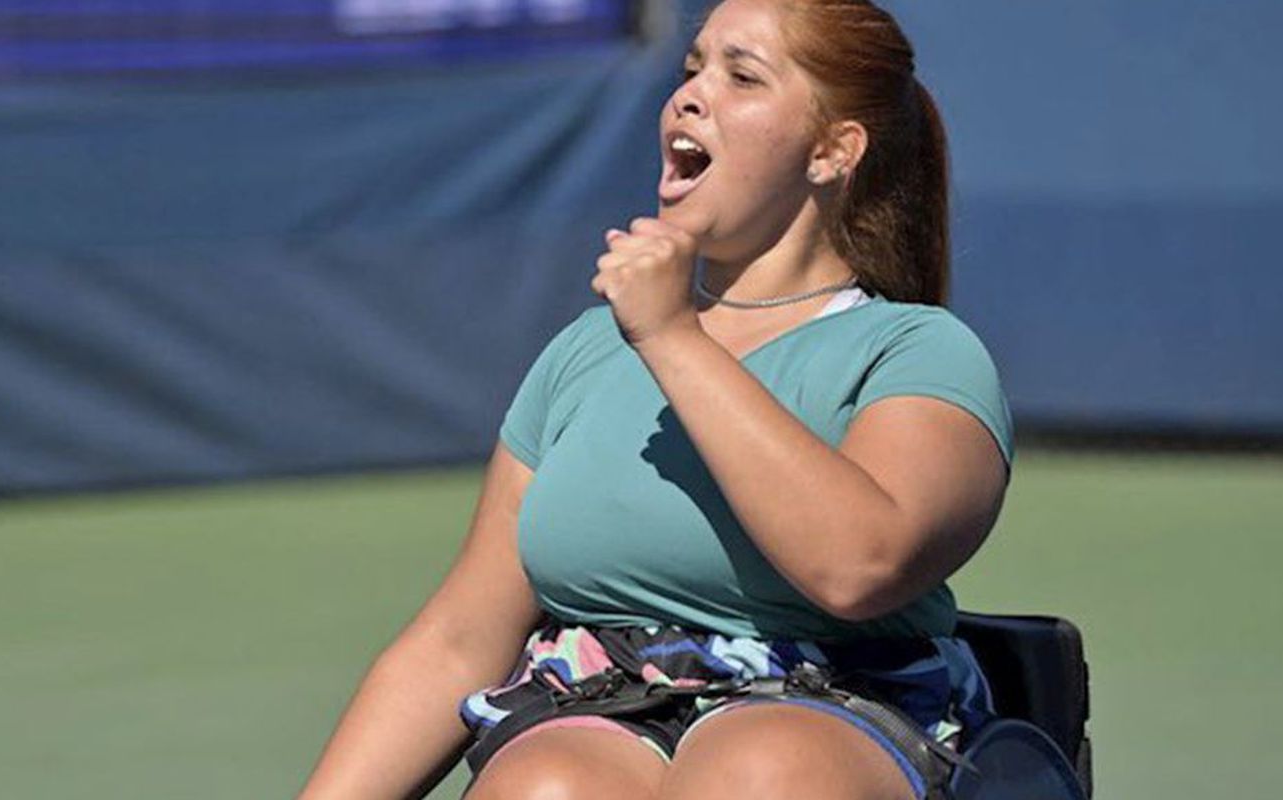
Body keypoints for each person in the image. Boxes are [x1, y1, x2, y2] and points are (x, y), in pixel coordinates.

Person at [299, 0, 1012, 797]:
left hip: (838, 714)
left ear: (831, 151)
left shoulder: (915, 351)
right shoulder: (585, 354)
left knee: (756, 771)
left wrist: (674, 336)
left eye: (741, 76)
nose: (691, 95)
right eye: (691, 69)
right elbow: (461, 639)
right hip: (599, 705)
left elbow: (860, 565)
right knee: (545, 785)